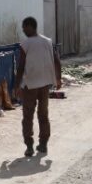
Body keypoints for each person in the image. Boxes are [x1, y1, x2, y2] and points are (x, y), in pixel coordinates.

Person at [14, 17, 62, 157]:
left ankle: (29, 146)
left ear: (30, 26)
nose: (23, 30)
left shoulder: (26, 43)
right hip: (45, 84)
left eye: (24, 27)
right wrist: (58, 78)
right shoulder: (47, 41)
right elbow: (57, 61)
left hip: (30, 84)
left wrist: (17, 86)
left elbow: (21, 66)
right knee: (43, 114)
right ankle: (43, 145)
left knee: (28, 115)